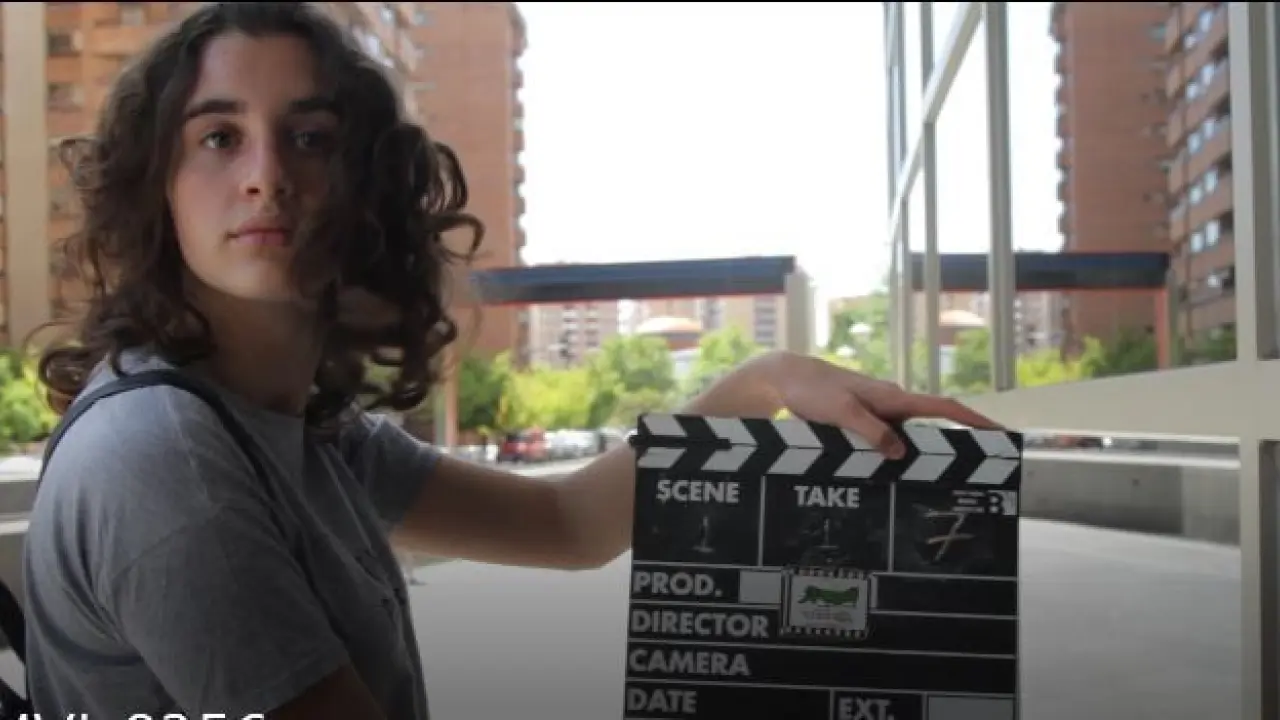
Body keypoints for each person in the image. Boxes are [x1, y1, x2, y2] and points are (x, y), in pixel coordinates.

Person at [19, 3, 999, 720]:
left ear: (366, 185)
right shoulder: (166, 461)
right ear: (156, 188)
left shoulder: (304, 428)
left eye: (310, 137)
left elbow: (568, 523)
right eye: (218, 137)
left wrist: (766, 383)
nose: (266, 173)